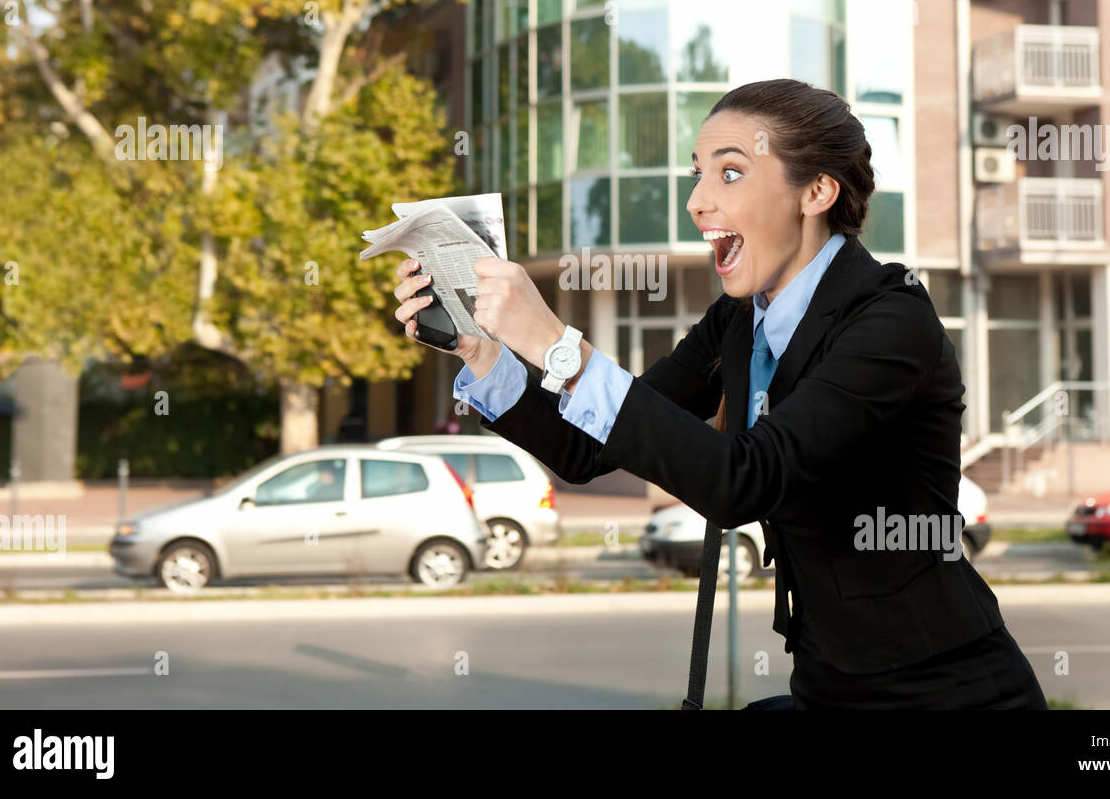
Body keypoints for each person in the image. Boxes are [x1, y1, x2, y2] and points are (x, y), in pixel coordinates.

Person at [393, 79, 1047, 710]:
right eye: (697, 174)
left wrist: (558, 345)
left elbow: (745, 480)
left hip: (944, 687)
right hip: (826, 684)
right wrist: (482, 350)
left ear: (815, 191)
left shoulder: (889, 325)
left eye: (729, 173)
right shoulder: (739, 321)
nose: (698, 202)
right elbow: (583, 449)